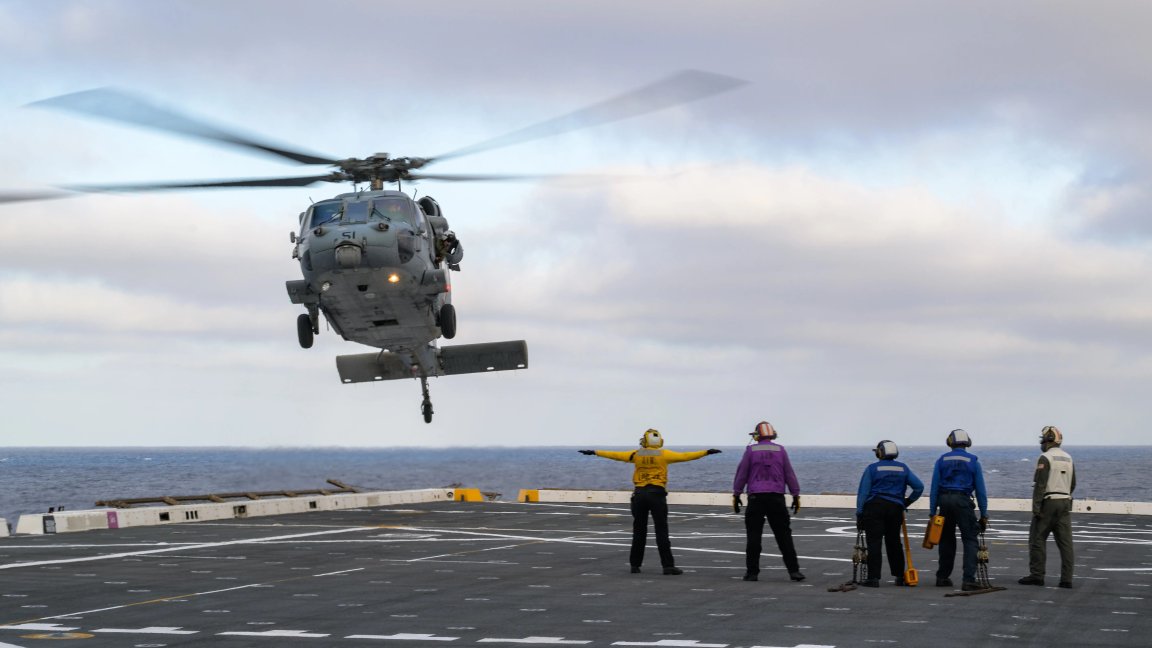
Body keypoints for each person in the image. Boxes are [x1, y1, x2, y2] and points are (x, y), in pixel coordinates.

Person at [579, 429, 720, 575]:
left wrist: (595, 452)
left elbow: (615, 455)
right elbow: (686, 456)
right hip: (656, 494)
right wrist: (706, 452)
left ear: (645, 441)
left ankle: (635, 565)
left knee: (639, 531)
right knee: (661, 530)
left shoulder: (636, 454)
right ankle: (668, 566)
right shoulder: (664, 454)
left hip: (639, 494)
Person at [732, 421, 805, 582]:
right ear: (773, 434)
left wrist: (736, 494)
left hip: (756, 498)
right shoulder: (781, 450)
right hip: (776, 498)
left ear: (757, 435)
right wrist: (796, 495)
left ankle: (752, 573)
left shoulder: (751, 451)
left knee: (754, 536)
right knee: (784, 536)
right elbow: (789, 474)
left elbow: (742, 473)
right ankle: (794, 571)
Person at [855, 440, 924, 587]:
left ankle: (873, 578)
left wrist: (859, 513)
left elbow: (863, 493)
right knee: (894, 543)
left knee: (874, 542)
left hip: (874, 508)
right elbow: (919, 487)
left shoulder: (872, 469)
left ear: (880, 453)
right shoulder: (903, 468)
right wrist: (907, 502)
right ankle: (900, 576)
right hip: (895, 509)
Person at [928, 429, 989, 591]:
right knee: (970, 539)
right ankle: (968, 579)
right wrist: (984, 515)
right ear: (967, 442)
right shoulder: (973, 461)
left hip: (944, 501)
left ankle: (942, 577)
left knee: (946, 539)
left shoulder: (941, 460)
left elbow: (934, 488)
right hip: (962, 501)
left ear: (950, 442)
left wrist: (932, 511)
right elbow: (981, 491)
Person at [1019, 425, 1076, 589]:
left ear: (1047, 441)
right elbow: (1073, 483)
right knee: (1066, 544)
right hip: (1065, 501)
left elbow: (1040, 484)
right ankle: (1066, 579)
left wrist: (1036, 508)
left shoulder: (1045, 458)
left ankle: (1037, 575)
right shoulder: (1068, 458)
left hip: (1048, 502)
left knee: (1037, 539)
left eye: (1043, 440)